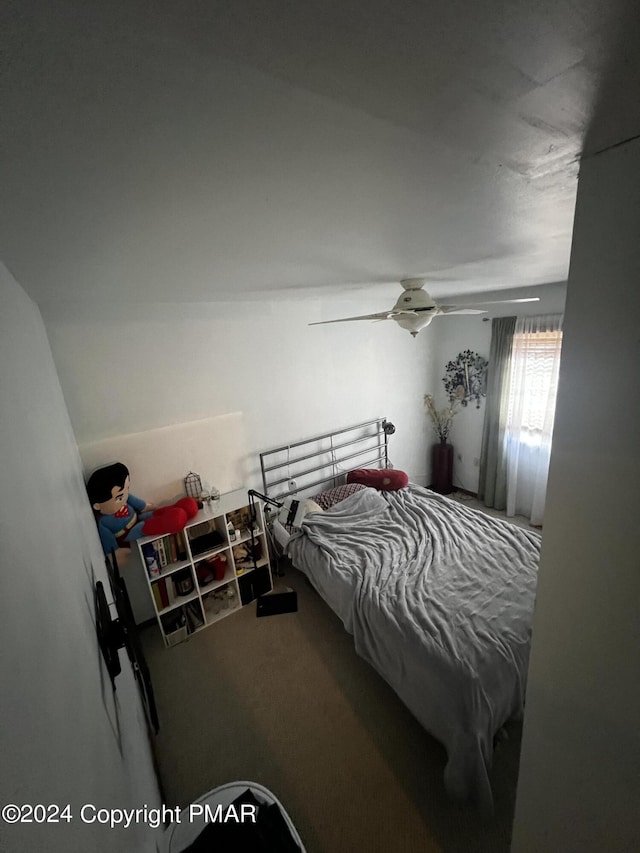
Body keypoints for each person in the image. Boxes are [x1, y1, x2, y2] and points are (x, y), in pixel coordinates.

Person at [87, 462, 198, 555]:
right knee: (147, 526)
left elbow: (135, 501)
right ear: (97, 506)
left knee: (155, 513)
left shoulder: (125, 498)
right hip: (128, 532)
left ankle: (183, 508)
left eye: (127, 489)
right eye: (120, 497)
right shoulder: (103, 522)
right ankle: (173, 520)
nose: (125, 496)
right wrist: (115, 553)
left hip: (137, 517)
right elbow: (108, 541)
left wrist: (147, 507)